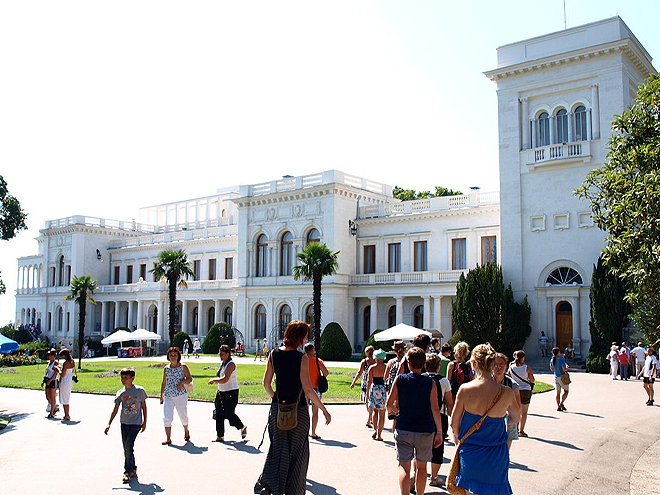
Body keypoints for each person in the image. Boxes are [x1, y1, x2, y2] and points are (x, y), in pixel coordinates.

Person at [254, 321, 331, 495]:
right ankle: (293, 491)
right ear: (299, 337)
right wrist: (324, 410)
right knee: (298, 453)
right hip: (299, 410)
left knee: (277, 449)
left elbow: (266, 384)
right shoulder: (301, 358)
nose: (306, 339)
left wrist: (275, 397)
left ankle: (269, 486)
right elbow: (308, 390)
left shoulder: (273, 355)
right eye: (305, 335)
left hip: (278, 410)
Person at [450, 343, 519, 495]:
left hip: (470, 452)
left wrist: (461, 439)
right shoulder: (506, 392)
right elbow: (516, 417)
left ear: (473, 364)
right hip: (497, 454)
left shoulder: (465, 390)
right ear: (493, 364)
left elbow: (454, 424)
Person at [386, 347, 443, 495]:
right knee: (422, 467)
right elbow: (435, 409)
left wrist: (395, 411)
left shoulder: (401, 379)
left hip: (404, 427)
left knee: (404, 466)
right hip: (425, 429)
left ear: (409, 363)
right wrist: (440, 431)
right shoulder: (430, 383)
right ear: (423, 364)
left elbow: (389, 403)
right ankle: (420, 494)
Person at [104, 368, 148, 483]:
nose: (123, 380)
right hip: (124, 423)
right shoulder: (121, 393)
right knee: (127, 448)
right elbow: (115, 409)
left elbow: (144, 406)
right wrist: (109, 423)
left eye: (126, 378)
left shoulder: (139, 391)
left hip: (136, 423)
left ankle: (127, 472)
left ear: (132, 378)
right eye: (122, 378)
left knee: (129, 446)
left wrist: (145, 422)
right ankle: (132, 469)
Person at [423, 353, 453, 488]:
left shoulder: (421, 378)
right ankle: (434, 476)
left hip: (422, 415)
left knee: (421, 446)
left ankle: (418, 472)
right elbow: (449, 402)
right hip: (440, 416)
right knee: (438, 447)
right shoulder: (444, 381)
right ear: (439, 366)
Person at [209, 344, 247, 441]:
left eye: (222, 354)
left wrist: (214, 380)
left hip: (231, 392)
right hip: (221, 391)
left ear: (227, 354)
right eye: (219, 354)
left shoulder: (231, 364)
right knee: (219, 414)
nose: (220, 356)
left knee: (229, 414)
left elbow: (225, 379)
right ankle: (220, 435)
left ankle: (242, 427)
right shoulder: (223, 363)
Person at [159, 346, 192, 445]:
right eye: (171, 355)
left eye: (175, 355)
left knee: (183, 416)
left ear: (178, 356)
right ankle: (168, 438)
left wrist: (182, 383)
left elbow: (189, 379)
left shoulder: (183, 367)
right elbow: (164, 382)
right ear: (168, 356)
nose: (173, 357)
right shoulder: (166, 368)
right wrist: (161, 395)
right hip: (168, 395)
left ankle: (186, 429)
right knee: (167, 417)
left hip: (180, 395)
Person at [493, 353, 521, 449]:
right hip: (490, 422)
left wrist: (510, 421)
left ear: (506, 366)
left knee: (505, 452)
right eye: (495, 364)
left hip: (508, 422)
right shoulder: (486, 383)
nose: (498, 367)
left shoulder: (513, 385)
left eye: (501, 364)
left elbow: (518, 407)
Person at [304, 342, 328, 440]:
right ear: (313, 351)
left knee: (305, 411)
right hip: (316, 387)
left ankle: (304, 432)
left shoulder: (303, 361)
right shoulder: (318, 361)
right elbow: (326, 372)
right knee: (315, 411)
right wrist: (319, 377)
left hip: (305, 387)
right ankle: (313, 432)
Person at [508, 350, 535, 437]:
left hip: (515, 389)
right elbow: (532, 380)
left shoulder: (511, 367)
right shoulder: (527, 368)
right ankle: (521, 430)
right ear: (523, 358)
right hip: (526, 390)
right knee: (524, 411)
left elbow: (509, 377)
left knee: (516, 410)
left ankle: (515, 427)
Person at [350, 345, 377, 428]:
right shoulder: (376, 361)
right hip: (375, 382)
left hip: (366, 383)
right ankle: (371, 418)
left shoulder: (364, 362)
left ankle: (370, 418)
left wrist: (354, 382)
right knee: (373, 401)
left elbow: (359, 373)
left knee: (367, 401)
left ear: (368, 353)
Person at [367, 348, 387, 441]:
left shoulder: (372, 368)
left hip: (374, 389)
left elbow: (369, 382)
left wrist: (367, 393)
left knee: (375, 411)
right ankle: (379, 434)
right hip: (382, 389)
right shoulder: (386, 367)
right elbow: (387, 379)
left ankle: (375, 429)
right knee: (382, 413)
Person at [42, 349, 60, 419]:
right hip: (48, 380)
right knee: (48, 397)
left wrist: (50, 380)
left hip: (53, 381)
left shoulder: (55, 363)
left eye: (49, 355)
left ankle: (51, 413)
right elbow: (47, 373)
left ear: (53, 356)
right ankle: (55, 407)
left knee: (52, 397)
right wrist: (44, 381)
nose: (48, 357)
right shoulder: (48, 363)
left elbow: (56, 373)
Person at [550, 347, 569, 411]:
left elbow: (552, 369)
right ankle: (561, 403)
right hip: (562, 377)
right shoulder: (561, 360)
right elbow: (564, 369)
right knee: (566, 391)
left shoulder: (552, 360)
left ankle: (558, 406)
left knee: (558, 393)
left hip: (556, 377)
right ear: (558, 353)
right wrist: (567, 368)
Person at [58, 348, 75, 421]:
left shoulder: (66, 363)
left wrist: (58, 370)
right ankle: (66, 414)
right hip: (69, 381)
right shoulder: (72, 362)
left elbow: (63, 374)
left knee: (65, 399)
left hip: (65, 381)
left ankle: (67, 415)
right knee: (66, 397)